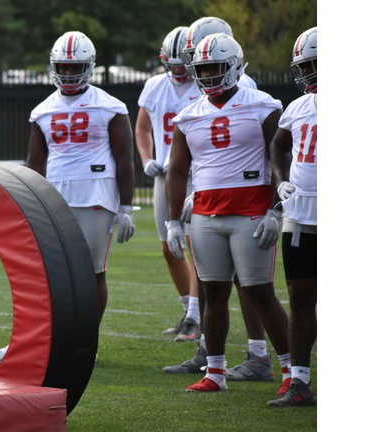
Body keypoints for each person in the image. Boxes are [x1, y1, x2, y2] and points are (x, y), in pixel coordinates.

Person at [0, 31, 135, 361]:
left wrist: (125, 206)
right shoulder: (42, 109)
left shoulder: (110, 106)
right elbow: (35, 163)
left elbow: (125, 158)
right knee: (49, 272)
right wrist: (28, 202)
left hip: (96, 194)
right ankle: (49, 340)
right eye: (64, 67)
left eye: (76, 67)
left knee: (90, 271)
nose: (69, 74)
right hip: (53, 196)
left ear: (89, 67)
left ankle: (85, 342)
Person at [164, 33, 290, 394]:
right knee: (212, 294)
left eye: (215, 67)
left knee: (260, 292)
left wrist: (275, 209)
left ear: (234, 65)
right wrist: (173, 221)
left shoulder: (263, 105)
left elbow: (280, 159)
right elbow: (177, 170)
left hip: (251, 211)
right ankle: (214, 373)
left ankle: (290, 373)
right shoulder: (189, 115)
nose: (208, 76)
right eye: (201, 69)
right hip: (205, 213)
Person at [135, 26, 201, 342]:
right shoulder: (154, 86)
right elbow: (143, 128)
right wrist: (147, 157)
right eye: (172, 63)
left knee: (197, 244)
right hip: (166, 174)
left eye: (183, 63)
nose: (177, 70)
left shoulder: (205, 85)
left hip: (199, 173)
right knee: (169, 246)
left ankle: (196, 317)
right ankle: (189, 311)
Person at [267, 27, 317, 408]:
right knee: (300, 298)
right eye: (306, 66)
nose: (310, 73)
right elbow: (279, 145)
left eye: (317, 65)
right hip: (300, 215)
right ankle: (299, 382)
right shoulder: (298, 107)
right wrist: (282, 181)